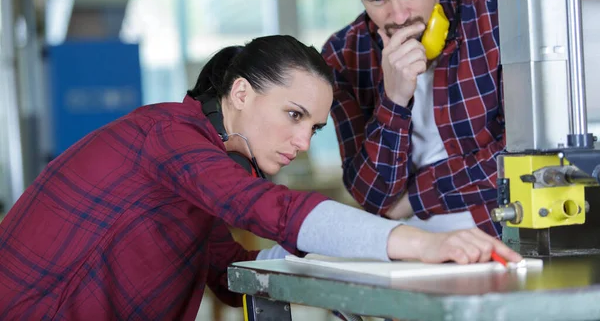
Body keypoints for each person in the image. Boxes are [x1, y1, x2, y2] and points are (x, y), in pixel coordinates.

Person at [0, 35, 519, 320]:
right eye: (294, 116)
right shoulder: (167, 136)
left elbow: (231, 275)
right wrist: (421, 244)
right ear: (242, 94)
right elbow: (272, 211)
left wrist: (345, 268)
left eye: (313, 128)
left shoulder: (202, 168)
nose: (301, 142)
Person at [322, 0, 505, 237]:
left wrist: (416, 197)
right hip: (406, 258)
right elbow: (374, 199)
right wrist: (394, 100)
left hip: (505, 238)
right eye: (376, 0)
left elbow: (525, 155)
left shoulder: (495, 14)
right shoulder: (343, 55)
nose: (399, 16)